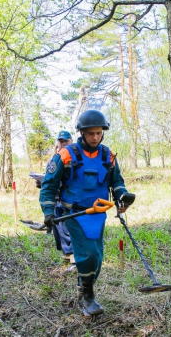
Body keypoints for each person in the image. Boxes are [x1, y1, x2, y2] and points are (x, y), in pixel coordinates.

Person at [40, 110, 130, 317]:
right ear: (82, 133)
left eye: (99, 133)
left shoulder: (108, 155)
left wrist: (122, 198)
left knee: (97, 256)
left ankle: (85, 288)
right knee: (87, 253)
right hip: (74, 214)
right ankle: (87, 297)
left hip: (98, 213)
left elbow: (116, 182)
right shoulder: (66, 155)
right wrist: (47, 212)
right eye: (91, 134)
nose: (95, 137)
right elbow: (48, 186)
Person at [36, 130, 75, 262]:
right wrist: (40, 182)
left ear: (71, 141)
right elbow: (50, 181)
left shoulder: (74, 157)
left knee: (67, 229)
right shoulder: (52, 160)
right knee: (58, 228)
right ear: (57, 143)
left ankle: (73, 257)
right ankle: (66, 254)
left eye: (66, 141)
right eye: (61, 141)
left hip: (68, 198)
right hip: (55, 198)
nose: (63, 144)